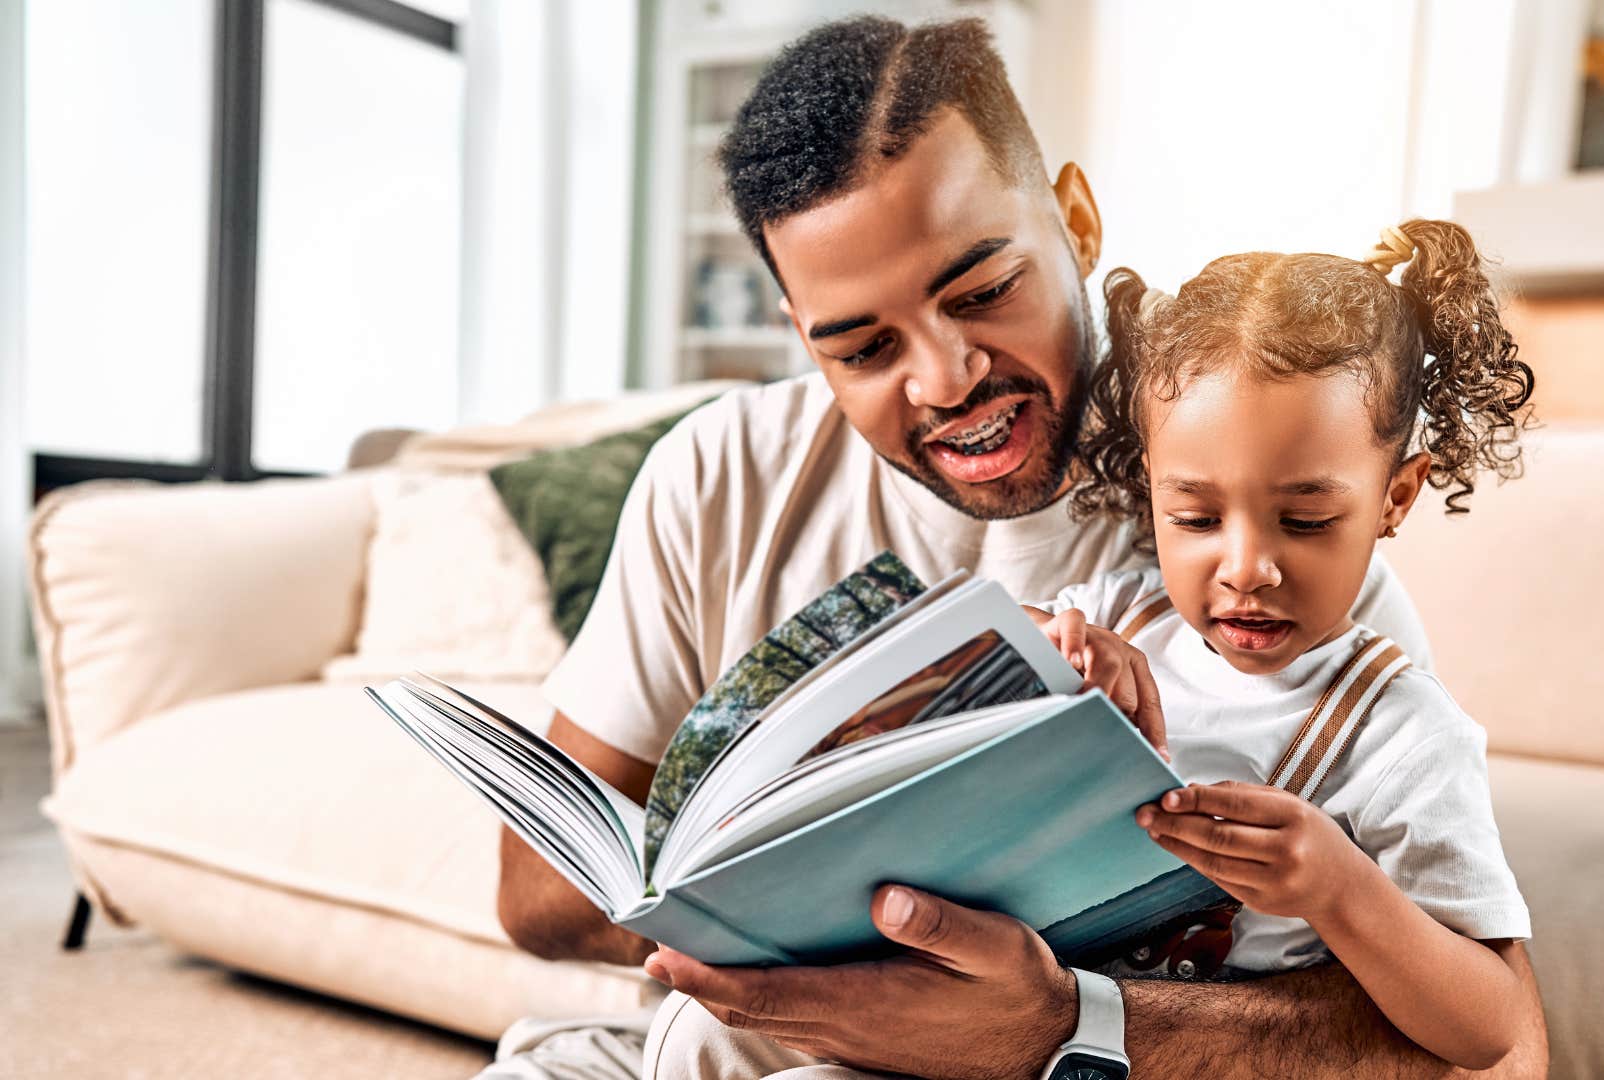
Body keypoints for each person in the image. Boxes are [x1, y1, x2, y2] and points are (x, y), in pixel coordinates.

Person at [487, 15, 1548, 1080]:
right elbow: (539, 892)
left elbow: (1503, 1055)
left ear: (1076, 221)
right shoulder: (716, 475)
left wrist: (1061, 1023)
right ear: (797, 330)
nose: (947, 379)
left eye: (984, 291)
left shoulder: (1243, 497)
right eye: (860, 345)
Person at [1024, 221, 1537, 1071]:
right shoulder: (1118, 609)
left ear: (1395, 498)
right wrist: (1045, 645)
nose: (1247, 568)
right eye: (1193, 517)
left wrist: (1340, 892)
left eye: (1304, 520)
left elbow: (1489, 1028)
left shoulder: (1404, 737)